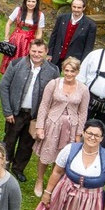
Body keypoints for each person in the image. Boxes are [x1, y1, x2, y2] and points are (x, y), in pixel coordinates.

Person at [0, 39, 60, 182]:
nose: (36, 54)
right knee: (9, 140)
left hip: (35, 116)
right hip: (15, 113)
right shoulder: (16, 64)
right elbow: (4, 86)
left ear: (46, 52)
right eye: (34, 51)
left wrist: (44, 119)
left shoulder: (53, 71)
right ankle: (4, 166)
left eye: (40, 52)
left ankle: (18, 169)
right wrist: (7, 111)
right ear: (29, 50)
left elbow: (55, 94)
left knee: (27, 144)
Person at [33, 57, 91, 198]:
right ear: (63, 70)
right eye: (66, 70)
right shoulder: (53, 84)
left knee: (62, 156)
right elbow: (44, 105)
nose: (69, 74)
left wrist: (79, 133)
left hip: (70, 128)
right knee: (46, 154)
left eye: (72, 71)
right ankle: (39, 180)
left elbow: (83, 112)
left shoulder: (83, 89)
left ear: (77, 72)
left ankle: (53, 184)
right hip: (52, 123)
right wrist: (40, 126)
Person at [0, 0, 44, 74]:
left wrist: (36, 45)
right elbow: (8, 23)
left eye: (33, 2)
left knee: (25, 61)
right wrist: (6, 38)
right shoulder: (18, 10)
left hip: (29, 42)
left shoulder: (40, 15)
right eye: (29, 1)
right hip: (15, 39)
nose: (31, 4)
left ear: (37, 3)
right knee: (11, 58)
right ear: (25, 1)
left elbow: (39, 32)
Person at [47, 0, 97, 64]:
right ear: (71, 6)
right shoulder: (61, 18)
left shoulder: (90, 25)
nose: (76, 9)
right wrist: (50, 53)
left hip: (74, 60)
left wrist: (82, 62)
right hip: (57, 57)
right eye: (74, 7)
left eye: (79, 7)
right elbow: (54, 36)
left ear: (84, 8)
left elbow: (88, 47)